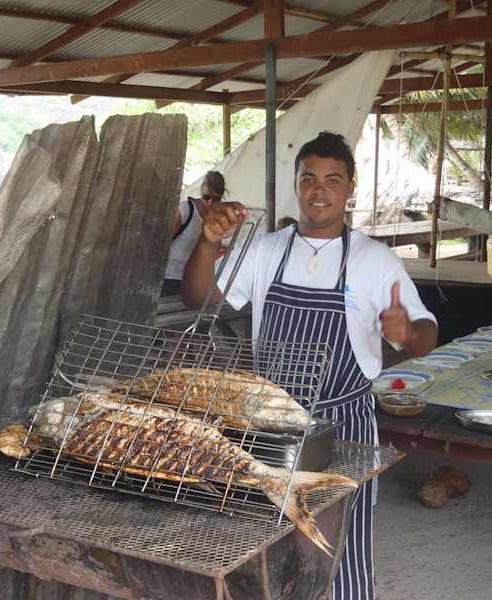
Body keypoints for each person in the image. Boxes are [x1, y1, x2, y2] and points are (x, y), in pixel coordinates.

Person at [182, 132, 437, 600]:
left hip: (345, 425)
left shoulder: (373, 260)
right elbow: (199, 298)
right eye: (309, 179)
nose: (319, 190)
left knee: (342, 540)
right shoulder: (266, 250)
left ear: (350, 188)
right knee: (269, 539)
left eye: (332, 180)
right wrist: (207, 240)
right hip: (271, 424)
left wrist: (406, 333)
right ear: (297, 184)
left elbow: (427, 332)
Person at [162, 170, 226, 296]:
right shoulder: (185, 211)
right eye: (206, 197)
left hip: (196, 280)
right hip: (172, 277)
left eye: (216, 199)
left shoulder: (219, 216)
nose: (210, 203)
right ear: (201, 190)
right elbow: (162, 244)